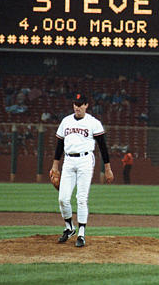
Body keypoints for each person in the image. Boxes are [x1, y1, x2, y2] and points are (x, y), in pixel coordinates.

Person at [50, 93, 114, 247]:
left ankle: (81, 233)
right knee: (63, 198)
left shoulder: (93, 123)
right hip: (69, 161)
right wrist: (55, 165)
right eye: (75, 104)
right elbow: (59, 145)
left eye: (80, 104)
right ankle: (69, 227)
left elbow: (103, 146)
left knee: (81, 198)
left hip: (85, 160)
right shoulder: (66, 121)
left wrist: (108, 168)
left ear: (86, 105)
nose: (77, 107)